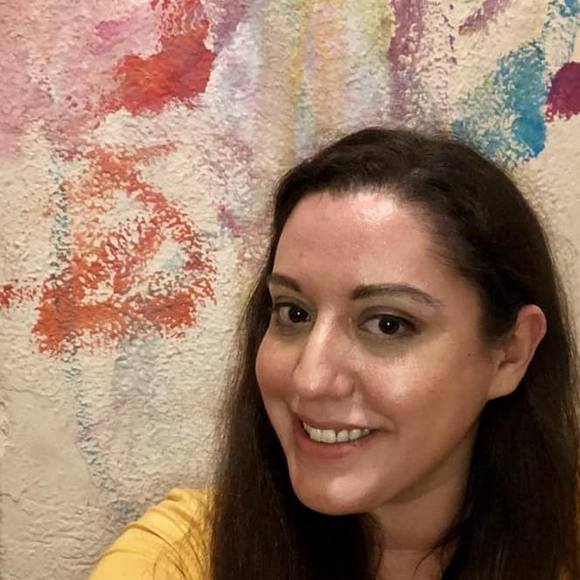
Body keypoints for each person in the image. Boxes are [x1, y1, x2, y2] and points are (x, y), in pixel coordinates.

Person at [90, 127, 579, 580]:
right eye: (294, 313)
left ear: (511, 353)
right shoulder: (174, 560)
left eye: (388, 324)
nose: (310, 379)